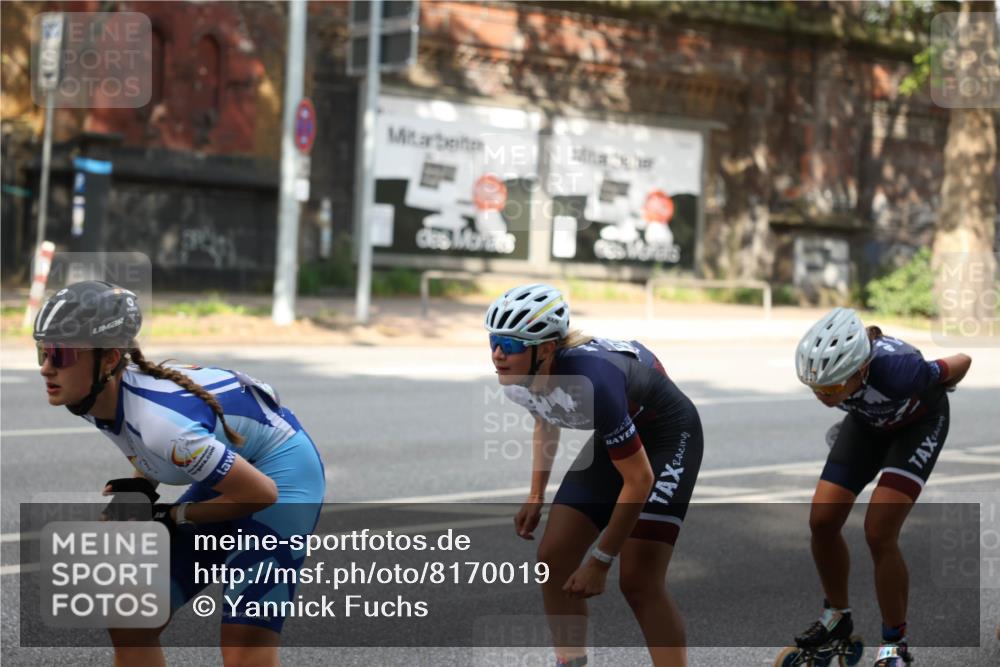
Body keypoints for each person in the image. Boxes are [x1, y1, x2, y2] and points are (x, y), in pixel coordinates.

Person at [33, 281, 326, 667]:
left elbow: (261, 495)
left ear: (109, 359)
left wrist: (176, 515)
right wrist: (140, 488)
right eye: (42, 352)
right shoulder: (92, 394)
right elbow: (143, 444)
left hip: (281, 478)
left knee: (244, 645)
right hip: (232, 473)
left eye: (61, 354)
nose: (46, 367)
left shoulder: (162, 424)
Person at [485, 283, 703, 667]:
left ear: (546, 349)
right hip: (620, 431)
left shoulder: (593, 383)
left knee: (638, 580)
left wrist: (600, 561)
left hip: (669, 434)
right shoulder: (517, 380)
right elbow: (546, 420)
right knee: (553, 557)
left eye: (511, 344)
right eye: (494, 341)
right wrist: (536, 495)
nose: (498, 354)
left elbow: (639, 480)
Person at [792, 307, 971, 667]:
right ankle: (836, 616)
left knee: (879, 531)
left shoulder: (903, 369)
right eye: (815, 387)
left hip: (918, 426)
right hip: (868, 425)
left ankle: (894, 643)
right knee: (822, 521)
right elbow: (835, 388)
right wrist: (839, 392)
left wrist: (938, 383)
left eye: (831, 387)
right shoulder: (833, 375)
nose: (822, 395)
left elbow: (963, 360)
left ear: (860, 368)